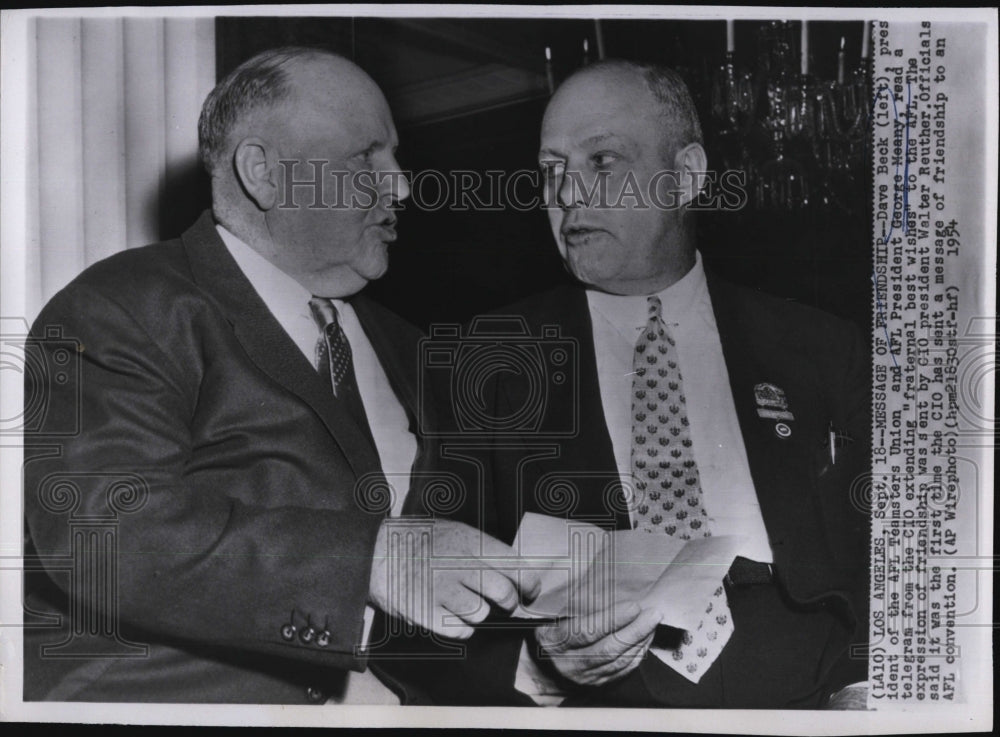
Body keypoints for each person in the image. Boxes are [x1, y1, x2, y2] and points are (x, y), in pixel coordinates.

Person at [22, 47, 538, 705]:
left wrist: (538, 650)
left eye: (396, 159)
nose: (403, 185)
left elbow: (431, 587)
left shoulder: (408, 347)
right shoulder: (124, 305)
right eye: (366, 158)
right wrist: (372, 561)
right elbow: (104, 532)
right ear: (264, 174)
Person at [388, 59, 870, 708]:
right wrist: (535, 666)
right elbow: (410, 614)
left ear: (687, 174)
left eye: (603, 162)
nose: (567, 195)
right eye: (551, 169)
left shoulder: (820, 348)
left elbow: (901, 560)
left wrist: (868, 687)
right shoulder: (491, 360)